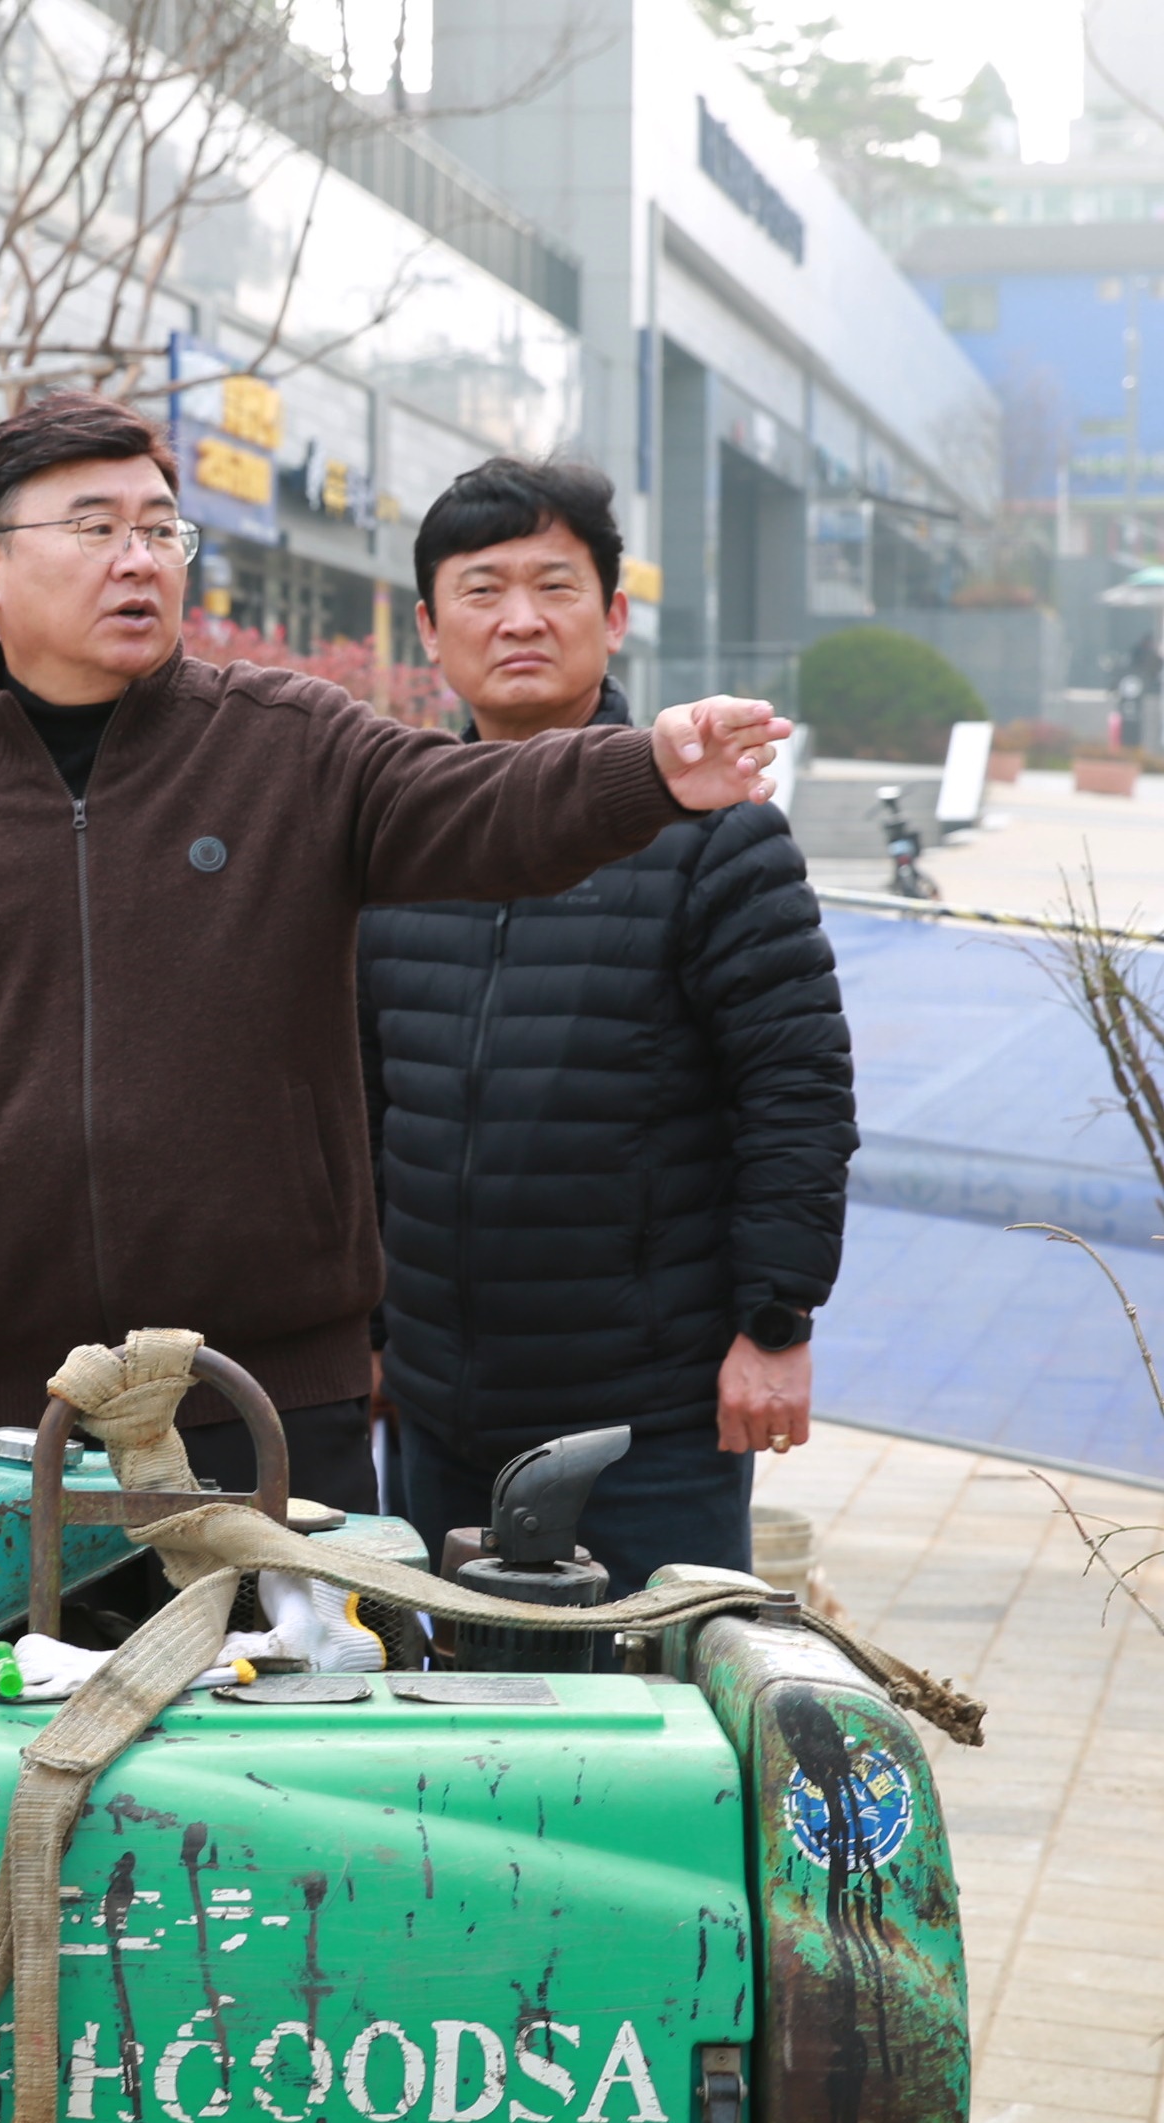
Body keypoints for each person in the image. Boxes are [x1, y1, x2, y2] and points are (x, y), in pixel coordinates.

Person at [0, 394, 790, 1517]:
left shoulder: (289, 745)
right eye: (94, 527)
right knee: (33, 1691)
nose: (138, 560)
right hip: (19, 1418)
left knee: (285, 1694)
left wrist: (643, 771)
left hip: (271, 1405)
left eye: (160, 529)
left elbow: (476, 801)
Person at [355, 459, 855, 1593]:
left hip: (646, 1418)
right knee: (438, 1734)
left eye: (553, 586)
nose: (519, 619)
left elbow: (796, 1088)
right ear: (429, 629)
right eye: (481, 591)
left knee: (641, 1733)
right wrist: (370, 1327)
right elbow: (359, 1093)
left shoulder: (715, 838)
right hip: (432, 1405)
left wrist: (773, 1322)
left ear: (613, 616)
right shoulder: (391, 837)